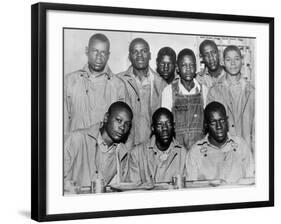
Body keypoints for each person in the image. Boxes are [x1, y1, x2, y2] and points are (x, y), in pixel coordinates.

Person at [64, 33, 128, 138]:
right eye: (95, 51)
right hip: (75, 149)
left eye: (103, 52)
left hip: (105, 151)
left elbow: (124, 125)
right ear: (87, 51)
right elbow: (62, 122)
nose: (99, 57)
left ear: (108, 55)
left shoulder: (118, 85)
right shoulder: (70, 81)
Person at [64, 101, 133, 194]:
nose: (122, 127)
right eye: (119, 120)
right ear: (106, 118)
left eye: (127, 124)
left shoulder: (122, 153)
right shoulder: (76, 139)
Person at [186, 102, 254, 184]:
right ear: (206, 125)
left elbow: (251, 181)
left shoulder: (241, 146)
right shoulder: (196, 152)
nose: (219, 127)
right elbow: (191, 187)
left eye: (222, 121)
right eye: (213, 122)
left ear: (227, 121)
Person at [207, 45, 255, 154]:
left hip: (246, 151)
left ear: (242, 61)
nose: (233, 63)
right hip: (223, 152)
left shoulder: (252, 91)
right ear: (223, 62)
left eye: (236, 59)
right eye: (228, 59)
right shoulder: (214, 91)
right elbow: (211, 126)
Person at [118, 38, 166, 146]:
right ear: (129, 56)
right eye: (135, 52)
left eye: (143, 51)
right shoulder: (118, 81)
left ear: (150, 55)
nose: (139, 55)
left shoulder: (161, 83)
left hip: (151, 148)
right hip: (126, 147)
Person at [162, 48, 206, 150]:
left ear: (196, 67)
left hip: (199, 149)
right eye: (184, 65)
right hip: (177, 149)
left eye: (191, 65)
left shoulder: (204, 91)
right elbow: (166, 125)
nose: (188, 69)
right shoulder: (169, 91)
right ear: (177, 68)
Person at [128, 108, 187, 184]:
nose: (165, 128)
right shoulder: (137, 153)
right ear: (153, 128)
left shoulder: (182, 153)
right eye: (159, 124)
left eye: (168, 123)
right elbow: (134, 190)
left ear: (173, 126)